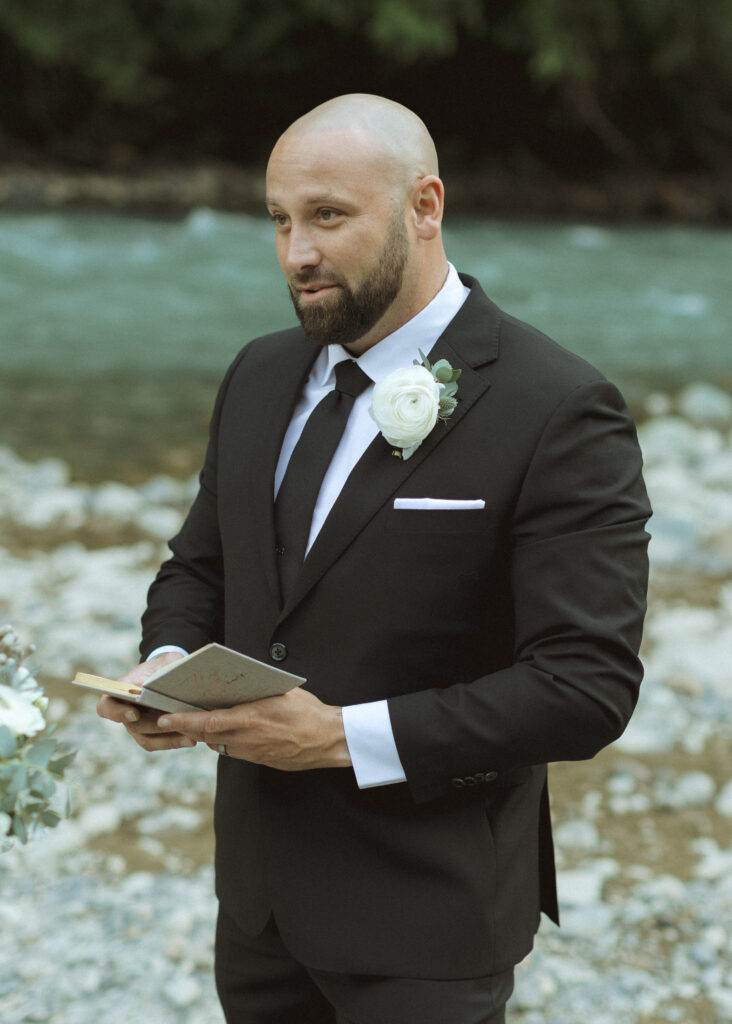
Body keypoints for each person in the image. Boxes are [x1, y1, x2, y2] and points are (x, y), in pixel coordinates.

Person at [97, 93, 651, 1024]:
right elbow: (200, 567)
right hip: (260, 906)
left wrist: (339, 740)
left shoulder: (558, 408)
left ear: (424, 207)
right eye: (278, 220)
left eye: (327, 217)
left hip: (428, 913)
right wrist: (168, 671)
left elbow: (585, 687)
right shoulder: (260, 373)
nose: (295, 254)